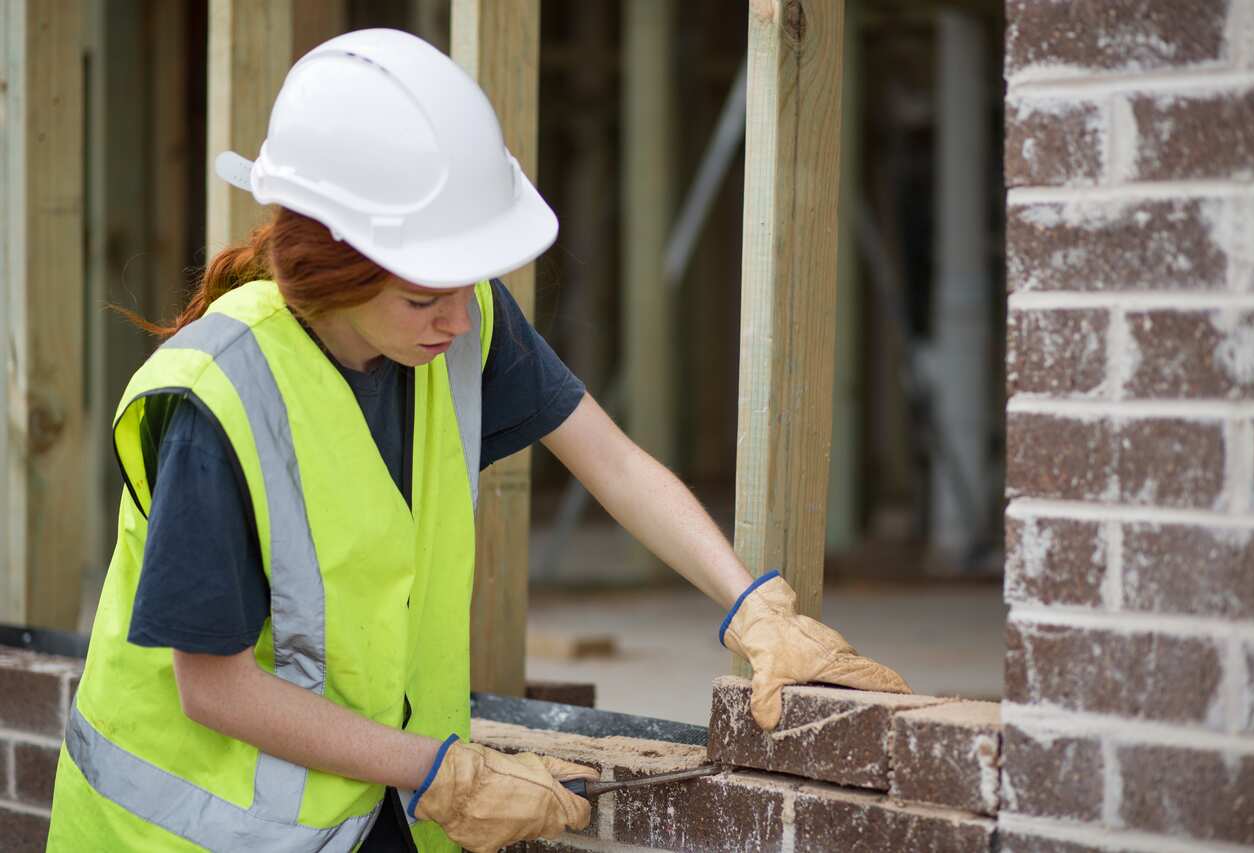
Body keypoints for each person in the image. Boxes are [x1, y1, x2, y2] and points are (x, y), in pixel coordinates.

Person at [47, 28, 908, 853]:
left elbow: (608, 458)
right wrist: (443, 773)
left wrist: (754, 608)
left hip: (358, 804)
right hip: (182, 834)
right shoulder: (219, 397)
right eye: (426, 298)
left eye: (467, 284)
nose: (459, 320)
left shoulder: (458, 325)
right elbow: (215, 687)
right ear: (329, 267)